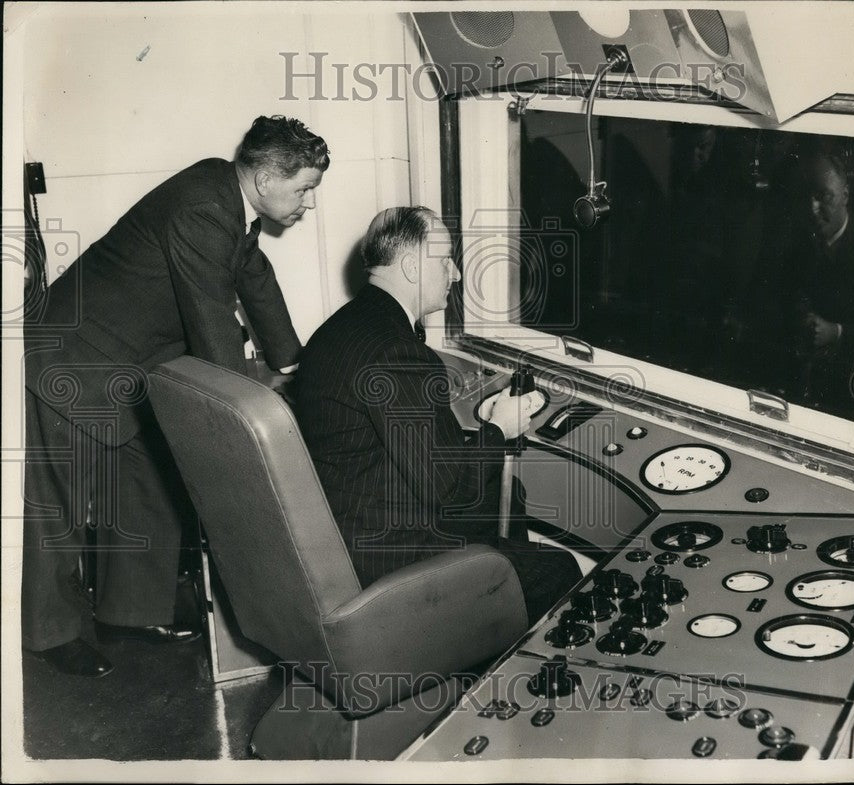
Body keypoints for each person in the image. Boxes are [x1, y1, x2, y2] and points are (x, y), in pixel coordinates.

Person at [22, 115, 329, 677]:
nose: (308, 204)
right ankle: (51, 632)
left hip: (133, 361)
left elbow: (252, 275)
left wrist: (297, 364)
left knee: (150, 482)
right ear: (265, 180)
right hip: (76, 355)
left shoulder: (226, 196)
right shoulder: (203, 207)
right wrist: (244, 412)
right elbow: (212, 321)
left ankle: (130, 611)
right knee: (58, 504)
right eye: (304, 189)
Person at [294, 206, 583, 623]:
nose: (457, 274)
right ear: (412, 266)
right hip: (386, 550)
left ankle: (490, 621)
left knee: (508, 495)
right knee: (559, 570)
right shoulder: (399, 352)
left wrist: (483, 425)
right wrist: (499, 428)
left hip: (345, 523)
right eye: (446, 259)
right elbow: (450, 492)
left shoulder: (338, 330)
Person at [786, 152, 854, 421]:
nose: (812, 208)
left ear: (846, 195)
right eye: (807, 197)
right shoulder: (798, 243)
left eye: (824, 196)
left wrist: (837, 333)